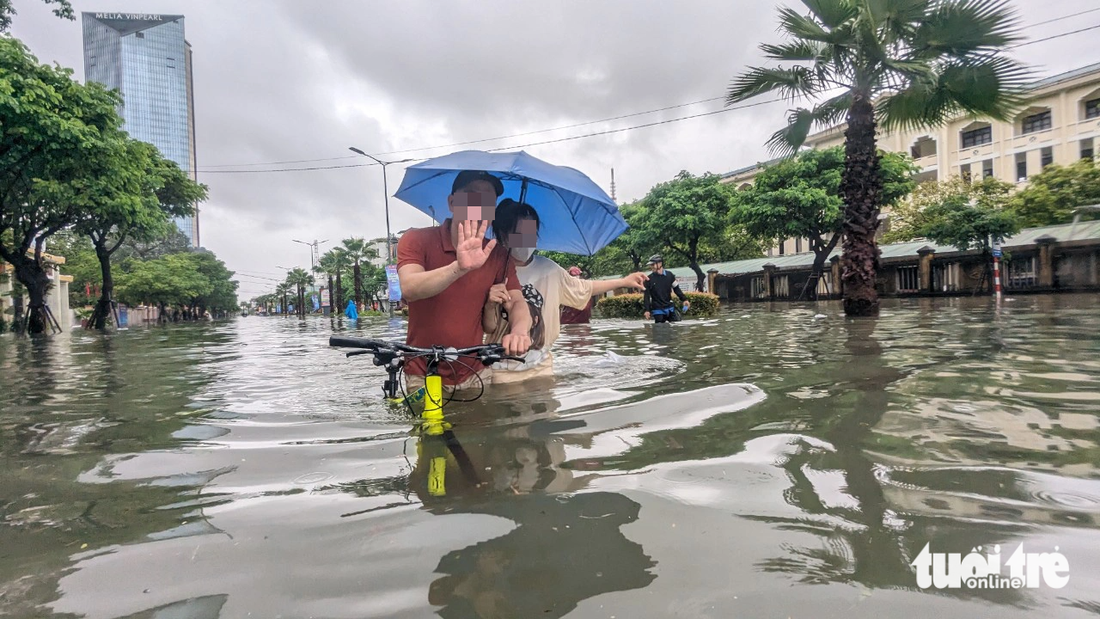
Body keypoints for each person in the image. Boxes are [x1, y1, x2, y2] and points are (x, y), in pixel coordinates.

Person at [483, 199, 647, 382]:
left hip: (541, 366)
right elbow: (487, 325)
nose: (527, 240)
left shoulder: (550, 270)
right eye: (520, 233)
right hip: (501, 370)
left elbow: (585, 288)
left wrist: (623, 281)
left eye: (532, 233)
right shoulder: (491, 271)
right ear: (503, 235)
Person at [397, 171, 532, 389]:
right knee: (427, 423)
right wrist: (459, 267)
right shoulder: (416, 239)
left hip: (475, 371)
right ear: (452, 202)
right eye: (471, 195)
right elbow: (410, 287)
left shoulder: (497, 253)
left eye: (488, 200)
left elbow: (516, 301)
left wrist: (519, 332)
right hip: (422, 371)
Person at [642, 254, 689, 323]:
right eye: (650, 265)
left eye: (653, 264)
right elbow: (646, 296)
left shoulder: (670, 275)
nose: (651, 267)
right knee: (660, 330)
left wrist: (684, 299)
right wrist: (647, 310)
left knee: (677, 326)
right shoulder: (648, 279)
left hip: (670, 308)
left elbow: (676, 289)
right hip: (657, 310)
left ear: (660, 263)